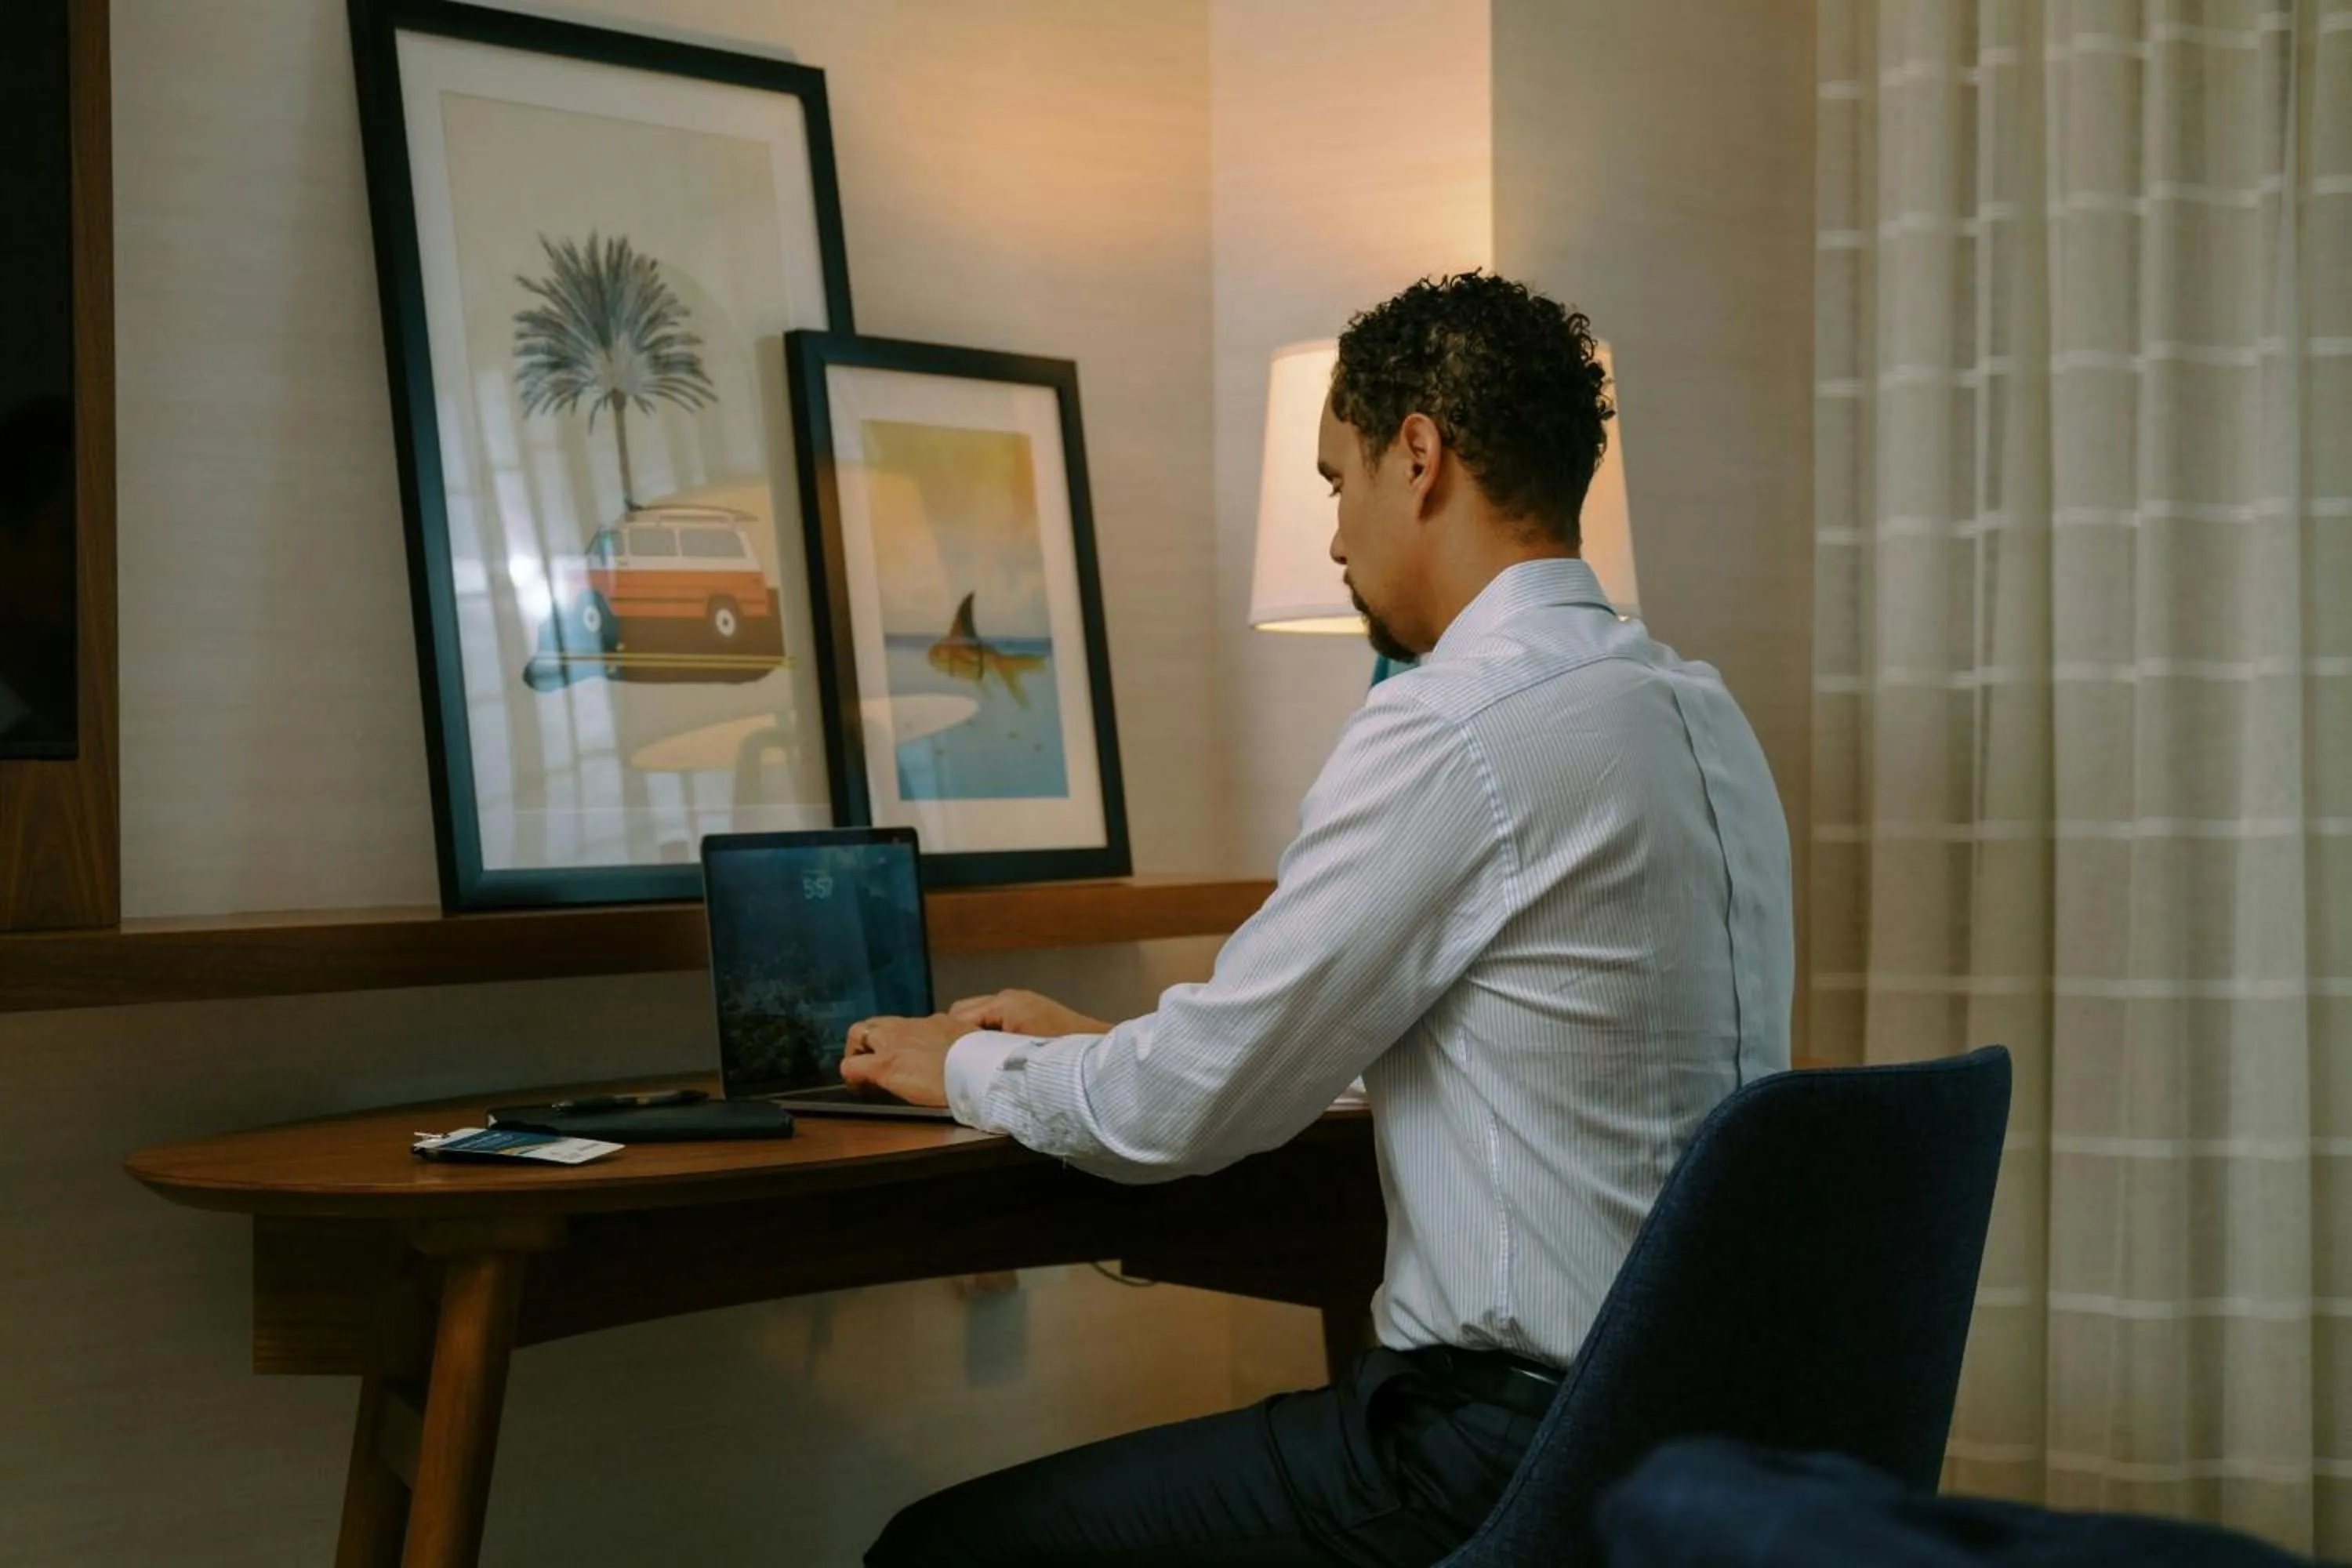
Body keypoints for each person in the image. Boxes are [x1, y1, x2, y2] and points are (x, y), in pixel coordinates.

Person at [841, 271, 1794, 1566]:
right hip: (1712, 1438)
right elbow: (1531, 1045)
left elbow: (1184, 1109)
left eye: (1336, 482)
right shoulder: (1698, 713)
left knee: (940, 1551)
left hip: (1502, 1457)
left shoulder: (1454, 724)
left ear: (1420, 455)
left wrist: (957, 1062)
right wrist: (1115, 1036)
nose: (1337, 540)